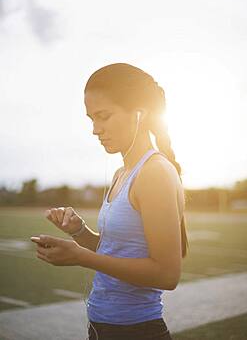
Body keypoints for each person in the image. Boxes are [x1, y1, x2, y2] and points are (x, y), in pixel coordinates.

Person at [31, 63, 189, 340]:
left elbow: (167, 274)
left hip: (137, 332)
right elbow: (116, 252)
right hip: (104, 327)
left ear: (140, 114)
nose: (95, 129)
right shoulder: (122, 173)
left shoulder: (154, 172)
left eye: (103, 116)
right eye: (91, 118)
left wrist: (82, 257)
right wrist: (78, 232)